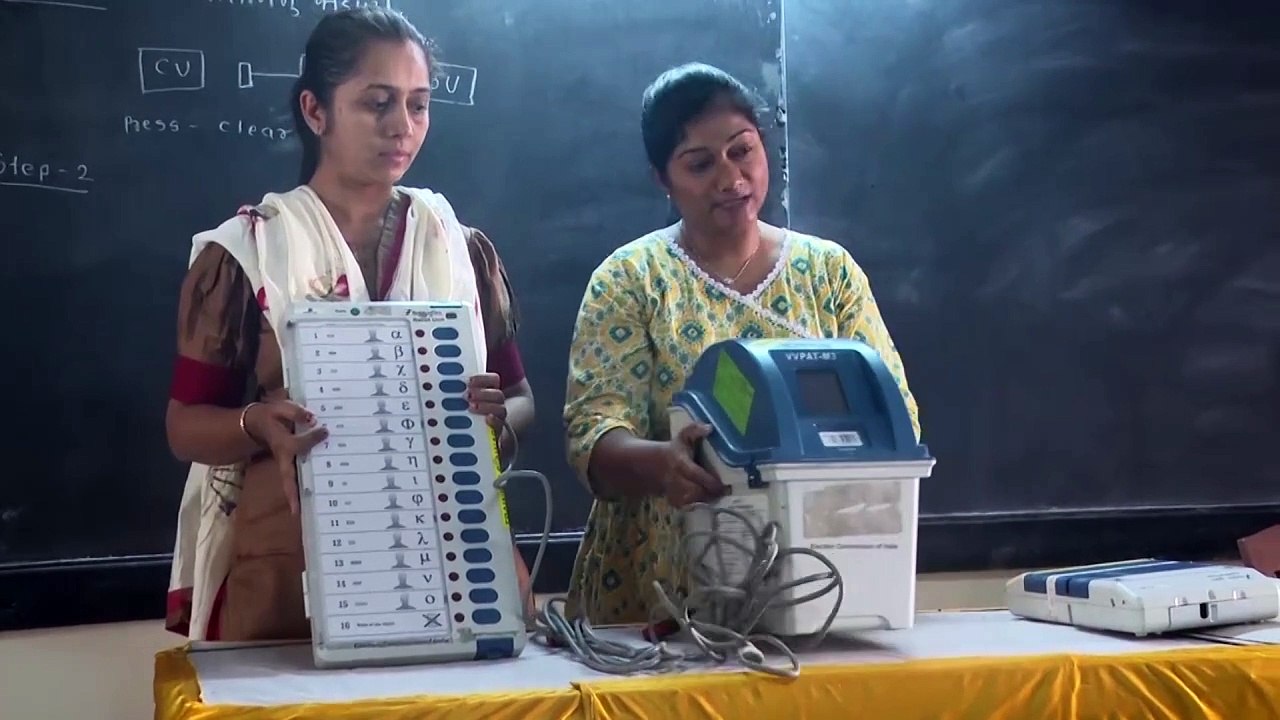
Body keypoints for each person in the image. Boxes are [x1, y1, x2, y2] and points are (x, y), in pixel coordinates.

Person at [163, 8, 535, 641]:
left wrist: (494, 416)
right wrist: (257, 424)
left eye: (418, 105)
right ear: (316, 111)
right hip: (286, 564)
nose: (402, 126)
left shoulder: (457, 248)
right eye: (377, 103)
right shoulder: (249, 252)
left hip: (452, 558)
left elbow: (520, 400)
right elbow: (184, 426)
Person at [561, 63, 921, 626]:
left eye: (742, 151)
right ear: (662, 178)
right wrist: (662, 465)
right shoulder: (631, 279)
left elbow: (896, 413)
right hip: (660, 595)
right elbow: (593, 432)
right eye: (700, 164)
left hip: (821, 582)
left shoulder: (829, 273)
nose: (731, 179)